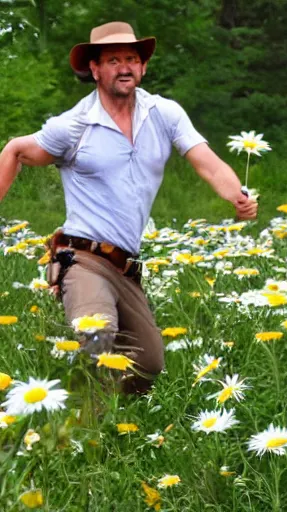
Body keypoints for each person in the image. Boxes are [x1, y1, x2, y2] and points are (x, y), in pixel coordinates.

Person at [0, 21, 258, 394]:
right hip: (82, 256)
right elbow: (15, 150)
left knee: (147, 366)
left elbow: (208, 163)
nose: (125, 67)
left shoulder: (164, 114)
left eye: (132, 59)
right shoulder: (74, 126)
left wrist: (238, 195)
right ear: (95, 69)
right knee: (97, 335)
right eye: (114, 59)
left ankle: (103, 420)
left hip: (126, 266)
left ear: (143, 67)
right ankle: (75, 435)